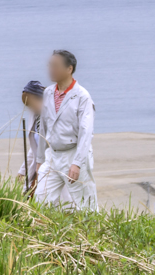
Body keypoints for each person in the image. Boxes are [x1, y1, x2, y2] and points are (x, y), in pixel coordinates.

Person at [34, 50, 99, 211]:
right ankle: (49, 234)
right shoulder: (48, 92)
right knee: (41, 200)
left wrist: (77, 163)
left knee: (86, 205)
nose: (51, 69)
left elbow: (86, 132)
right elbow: (43, 126)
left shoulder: (82, 96)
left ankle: (92, 234)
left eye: (55, 66)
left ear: (69, 69)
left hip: (74, 153)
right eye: (50, 65)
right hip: (52, 155)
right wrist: (40, 160)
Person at [20, 80, 45, 198]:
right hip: (38, 166)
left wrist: (39, 169)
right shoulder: (34, 114)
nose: (30, 108)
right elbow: (33, 148)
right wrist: (22, 171)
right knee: (29, 195)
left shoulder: (50, 115)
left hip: (48, 166)